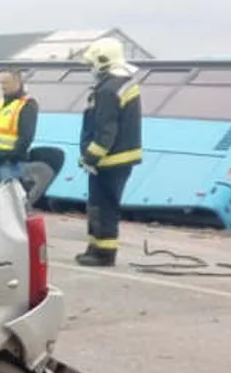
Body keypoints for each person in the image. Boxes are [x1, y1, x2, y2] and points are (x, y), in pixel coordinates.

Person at [77, 38, 143, 267]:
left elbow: (105, 130)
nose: (91, 68)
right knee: (103, 205)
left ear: (103, 60)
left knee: (102, 206)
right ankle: (95, 247)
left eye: (92, 62)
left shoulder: (107, 90)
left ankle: (103, 253)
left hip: (109, 160)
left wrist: (90, 157)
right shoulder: (122, 84)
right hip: (120, 158)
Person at [0, 69, 39, 186]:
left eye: (6, 83)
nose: (2, 87)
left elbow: (26, 137)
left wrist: (10, 156)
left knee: (11, 199)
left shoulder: (27, 104)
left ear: (18, 83)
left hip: (10, 164)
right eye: (1, 83)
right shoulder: (0, 103)